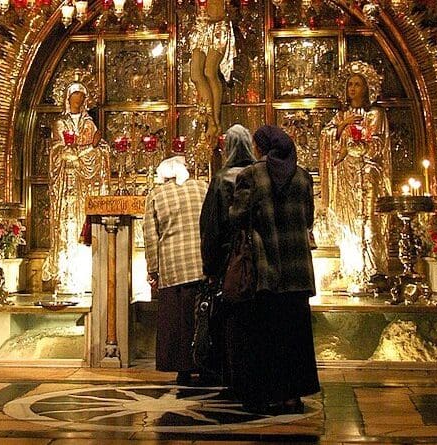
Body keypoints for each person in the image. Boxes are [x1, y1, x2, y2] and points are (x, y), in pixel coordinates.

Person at [227, 125, 320, 415]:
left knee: (265, 334)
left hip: (266, 269)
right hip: (297, 271)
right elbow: (308, 218)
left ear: (262, 147)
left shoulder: (252, 175)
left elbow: (237, 216)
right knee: (295, 336)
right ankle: (292, 396)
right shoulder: (303, 177)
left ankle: (264, 393)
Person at [319, 60, 391, 288]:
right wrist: (344, 126)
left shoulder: (375, 114)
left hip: (368, 176)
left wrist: (361, 144)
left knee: (369, 222)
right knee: (348, 222)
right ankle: (352, 269)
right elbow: (326, 137)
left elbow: (378, 145)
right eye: (350, 84)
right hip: (346, 178)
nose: (353, 88)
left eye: (358, 84)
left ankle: (373, 271)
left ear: (367, 88)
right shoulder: (341, 116)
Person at [143, 155, 209, 385]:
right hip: (201, 263)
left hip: (173, 267)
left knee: (179, 322)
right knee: (202, 318)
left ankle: (183, 368)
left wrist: (153, 269)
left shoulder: (156, 195)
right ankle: (206, 364)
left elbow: (151, 236)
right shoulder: (202, 187)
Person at [199, 124, 256, 383]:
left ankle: (229, 373)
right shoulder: (258, 174)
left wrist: (209, 266)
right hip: (254, 256)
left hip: (227, 258)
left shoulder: (222, 179)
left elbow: (211, 225)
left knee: (229, 318)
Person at [41, 81, 110, 294]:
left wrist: (93, 149)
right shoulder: (60, 123)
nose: (79, 101)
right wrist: (86, 148)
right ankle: (66, 272)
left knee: (85, 223)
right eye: (75, 97)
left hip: (86, 187)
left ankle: (86, 273)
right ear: (68, 99)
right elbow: (59, 151)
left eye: (82, 97)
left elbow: (101, 150)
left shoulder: (89, 124)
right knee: (67, 227)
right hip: (66, 185)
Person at [189, 0, 236, 141]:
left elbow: (223, 10)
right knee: (195, 75)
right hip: (200, 26)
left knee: (209, 72)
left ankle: (214, 120)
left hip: (218, 26)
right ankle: (211, 121)